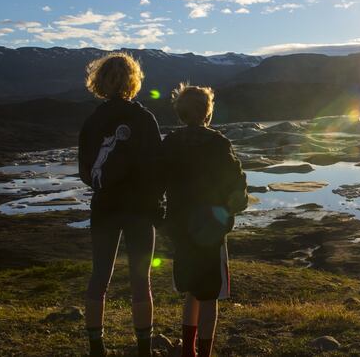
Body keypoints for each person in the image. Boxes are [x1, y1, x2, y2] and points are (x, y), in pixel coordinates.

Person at [78, 52, 163, 357]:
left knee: (99, 277)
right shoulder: (145, 119)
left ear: (99, 82)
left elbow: (85, 171)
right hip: (140, 209)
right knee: (141, 281)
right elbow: (158, 167)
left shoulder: (93, 121)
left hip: (105, 207)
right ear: (133, 80)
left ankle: (96, 347)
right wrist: (157, 201)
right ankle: (144, 349)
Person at [162, 84, 248, 357]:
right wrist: (233, 209)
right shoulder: (219, 143)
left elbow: (157, 181)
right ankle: (205, 351)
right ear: (208, 112)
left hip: (180, 229)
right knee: (210, 295)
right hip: (211, 230)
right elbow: (236, 184)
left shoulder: (170, 143)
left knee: (192, 290)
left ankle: (189, 350)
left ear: (180, 113)